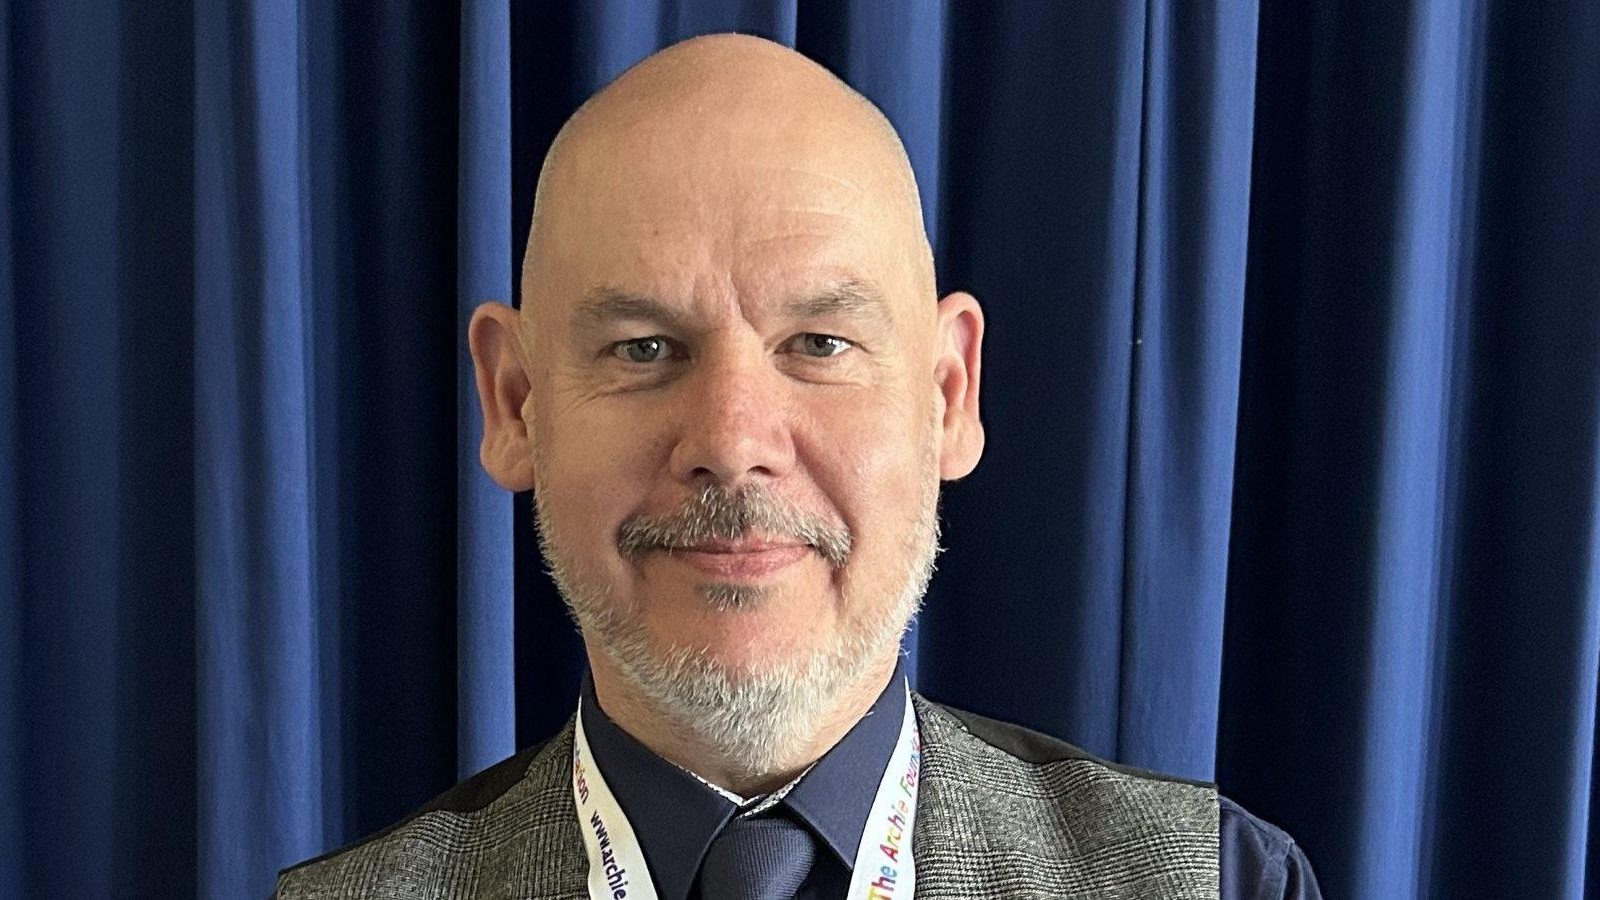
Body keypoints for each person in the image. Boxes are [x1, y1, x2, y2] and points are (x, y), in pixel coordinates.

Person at [276, 31, 1320, 899]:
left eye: (819, 344)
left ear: (948, 394)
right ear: (515, 402)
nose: (733, 443)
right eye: (644, 348)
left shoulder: (1225, 884)